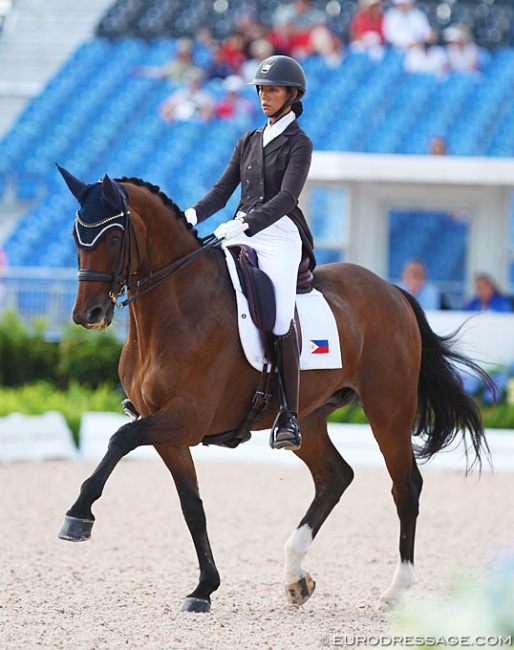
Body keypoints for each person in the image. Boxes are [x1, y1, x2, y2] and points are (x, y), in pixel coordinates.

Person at [184, 55, 315, 452]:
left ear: (292, 95)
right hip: (239, 229)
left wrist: (247, 224)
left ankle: (289, 415)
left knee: (277, 318)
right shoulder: (248, 140)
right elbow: (222, 193)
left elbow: (287, 197)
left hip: (279, 235)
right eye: (261, 90)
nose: (265, 96)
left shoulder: (299, 143)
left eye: (273, 90)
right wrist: (188, 215)